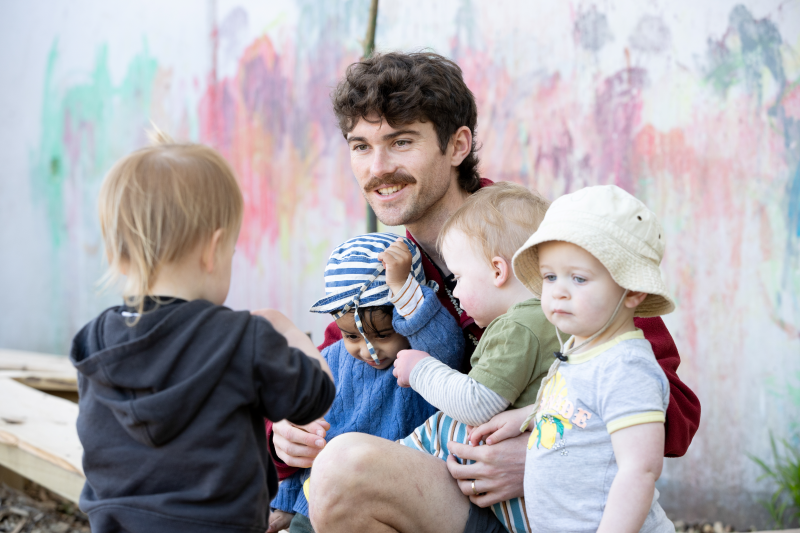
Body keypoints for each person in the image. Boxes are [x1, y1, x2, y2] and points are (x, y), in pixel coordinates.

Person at [267, 52, 701, 533]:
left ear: (457, 146)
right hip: (449, 491)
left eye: (401, 141)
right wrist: (287, 430)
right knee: (337, 469)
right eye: (361, 146)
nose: (379, 168)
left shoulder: (544, 247)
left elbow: (675, 411)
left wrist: (545, 448)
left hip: (551, 511)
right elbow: (338, 366)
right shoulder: (381, 266)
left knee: (343, 470)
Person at [69, 134, 335, 533]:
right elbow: (315, 396)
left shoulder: (94, 341)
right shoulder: (242, 337)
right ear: (213, 250)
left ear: (116, 255)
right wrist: (287, 330)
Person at [470, 185, 676, 532]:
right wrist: (531, 415)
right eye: (550, 276)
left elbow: (638, 470)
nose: (558, 290)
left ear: (633, 290)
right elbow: (581, 410)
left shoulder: (625, 367)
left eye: (578, 278)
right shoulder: (580, 349)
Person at [386, 182, 557, 533]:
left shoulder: (518, 326)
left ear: (498, 271)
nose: (457, 291)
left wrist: (420, 370)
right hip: (555, 490)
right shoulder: (561, 317)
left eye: (460, 277)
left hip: (531, 506)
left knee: (448, 425)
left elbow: (477, 403)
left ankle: (389, 469)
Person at [269, 233, 464, 533]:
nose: (369, 350)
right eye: (351, 336)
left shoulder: (425, 359)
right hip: (314, 503)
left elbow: (448, 347)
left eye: (384, 335)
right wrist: (284, 502)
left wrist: (404, 290)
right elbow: (310, 443)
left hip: (396, 504)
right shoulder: (328, 363)